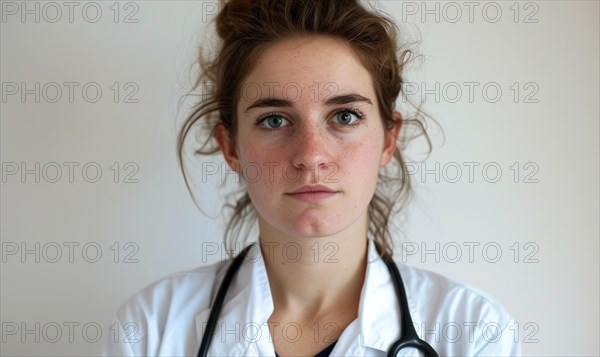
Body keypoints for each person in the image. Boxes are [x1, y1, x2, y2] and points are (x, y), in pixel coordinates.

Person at [103, 0, 520, 355]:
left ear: (388, 140)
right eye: (273, 120)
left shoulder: (473, 331)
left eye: (344, 116)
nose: (311, 156)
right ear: (231, 147)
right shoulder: (151, 329)